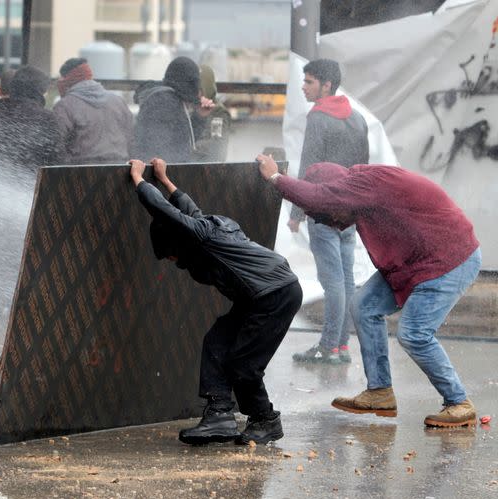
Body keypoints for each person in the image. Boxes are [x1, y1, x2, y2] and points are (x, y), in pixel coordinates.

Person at [256, 154, 481, 428]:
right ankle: (380, 392)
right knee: (364, 306)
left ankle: (459, 402)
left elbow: (317, 197)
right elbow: (323, 201)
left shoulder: (363, 183)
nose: (332, 223)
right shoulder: (364, 189)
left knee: (414, 335)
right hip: (417, 261)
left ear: (339, 193)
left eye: (329, 214)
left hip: (449, 258)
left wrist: (275, 177)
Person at [130, 157, 302, 445]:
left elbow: (161, 210)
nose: (172, 261)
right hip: (260, 294)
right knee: (217, 342)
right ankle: (219, 415)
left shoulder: (200, 236)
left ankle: (265, 420)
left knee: (243, 364)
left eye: (169, 254)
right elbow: (188, 207)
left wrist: (139, 179)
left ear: (176, 244)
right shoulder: (206, 228)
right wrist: (164, 178)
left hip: (274, 294)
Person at [0, 65, 61, 392]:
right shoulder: (47, 121)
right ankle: (23, 370)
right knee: (32, 293)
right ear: (40, 92)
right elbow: (56, 173)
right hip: (28, 222)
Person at [290, 59, 369, 365]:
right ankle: (342, 346)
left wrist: (297, 212)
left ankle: (327, 347)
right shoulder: (358, 118)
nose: (303, 86)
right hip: (349, 211)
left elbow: (308, 167)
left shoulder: (318, 118)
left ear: (325, 85)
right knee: (347, 279)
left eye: (309, 82)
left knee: (333, 281)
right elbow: (363, 169)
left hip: (323, 209)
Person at [132, 57, 215, 163]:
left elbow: (182, 140)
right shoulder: (165, 103)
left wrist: (199, 116)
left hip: (155, 170)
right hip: (158, 172)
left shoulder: (167, 99)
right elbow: (171, 151)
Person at [52, 57, 133, 164]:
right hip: (119, 167)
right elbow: (130, 138)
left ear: (66, 79)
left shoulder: (65, 105)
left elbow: (57, 143)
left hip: (82, 171)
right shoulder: (118, 101)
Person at [192, 64, 233, 163]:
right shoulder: (192, 109)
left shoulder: (219, 113)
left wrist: (189, 147)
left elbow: (216, 146)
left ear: (205, 88)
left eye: (197, 89)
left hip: (210, 169)